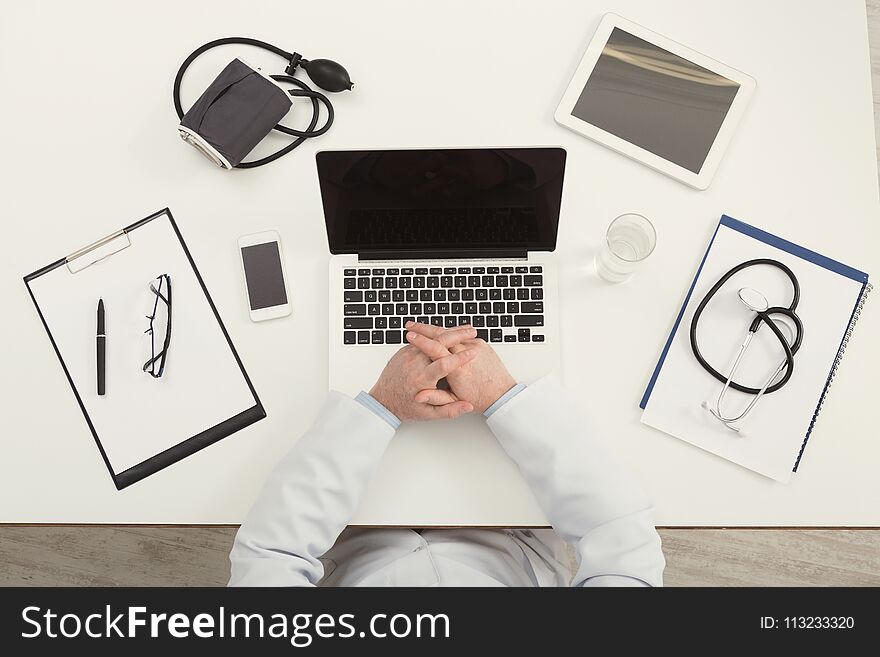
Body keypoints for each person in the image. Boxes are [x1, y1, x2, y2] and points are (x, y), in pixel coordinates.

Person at [229, 322, 665, 587]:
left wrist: (379, 407)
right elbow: (627, 550)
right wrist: (505, 399)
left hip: (351, 534)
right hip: (514, 535)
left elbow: (269, 559)